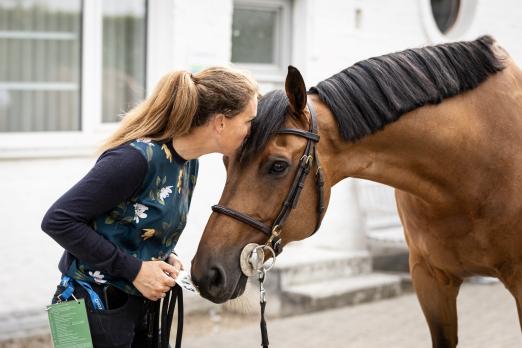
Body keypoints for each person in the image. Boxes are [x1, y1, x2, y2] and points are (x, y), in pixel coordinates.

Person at [41, 66, 258, 347]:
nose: (252, 131)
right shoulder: (134, 160)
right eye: (249, 121)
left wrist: (164, 255)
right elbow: (58, 220)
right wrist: (135, 270)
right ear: (220, 123)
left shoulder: (188, 163)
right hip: (86, 308)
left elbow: (134, 224)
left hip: (136, 309)